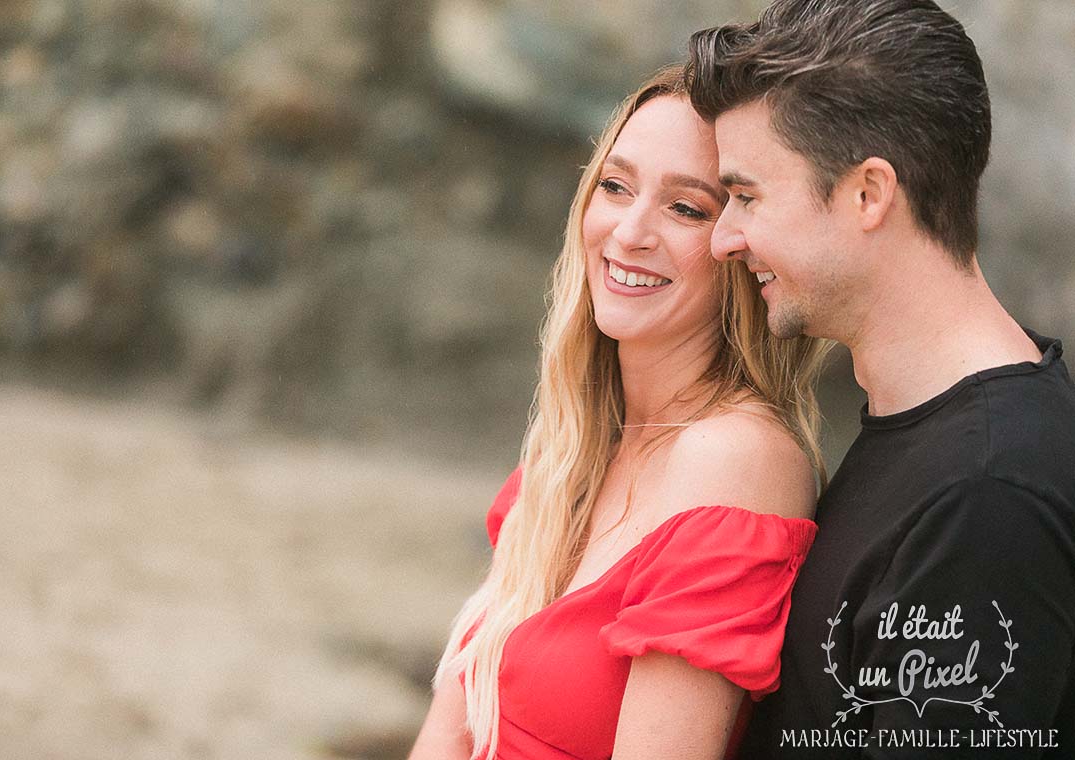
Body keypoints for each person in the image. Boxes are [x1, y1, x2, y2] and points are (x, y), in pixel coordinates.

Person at [685, 1, 1075, 758]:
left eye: (747, 195)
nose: (725, 238)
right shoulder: (938, 439)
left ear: (869, 194)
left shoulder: (987, 492)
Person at [408, 64, 832, 760]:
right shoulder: (572, 447)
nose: (629, 231)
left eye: (686, 208)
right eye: (615, 186)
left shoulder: (732, 459)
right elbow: (446, 734)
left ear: (740, 245)